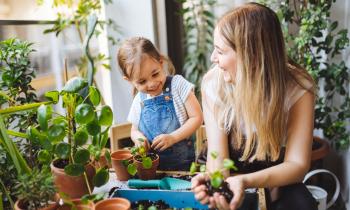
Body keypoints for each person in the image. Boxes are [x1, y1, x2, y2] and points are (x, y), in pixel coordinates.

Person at [191, 3, 318, 210]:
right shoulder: (214, 84)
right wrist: (216, 184)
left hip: (275, 170)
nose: (213, 58)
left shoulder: (298, 88)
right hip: (230, 165)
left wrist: (247, 181)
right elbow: (219, 158)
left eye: (220, 51)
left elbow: (297, 165)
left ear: (252, 58)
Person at [117, 37, 203, 171]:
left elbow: (197, 117)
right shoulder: (139, 100)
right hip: (152, 170)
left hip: (183, 167)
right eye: (142, 81)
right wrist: (139, 138)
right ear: (129, 80)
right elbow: (134, 130)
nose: (151, 84)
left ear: (161, 63)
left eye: (155, 74)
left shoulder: (178, 85)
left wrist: (173, 137)